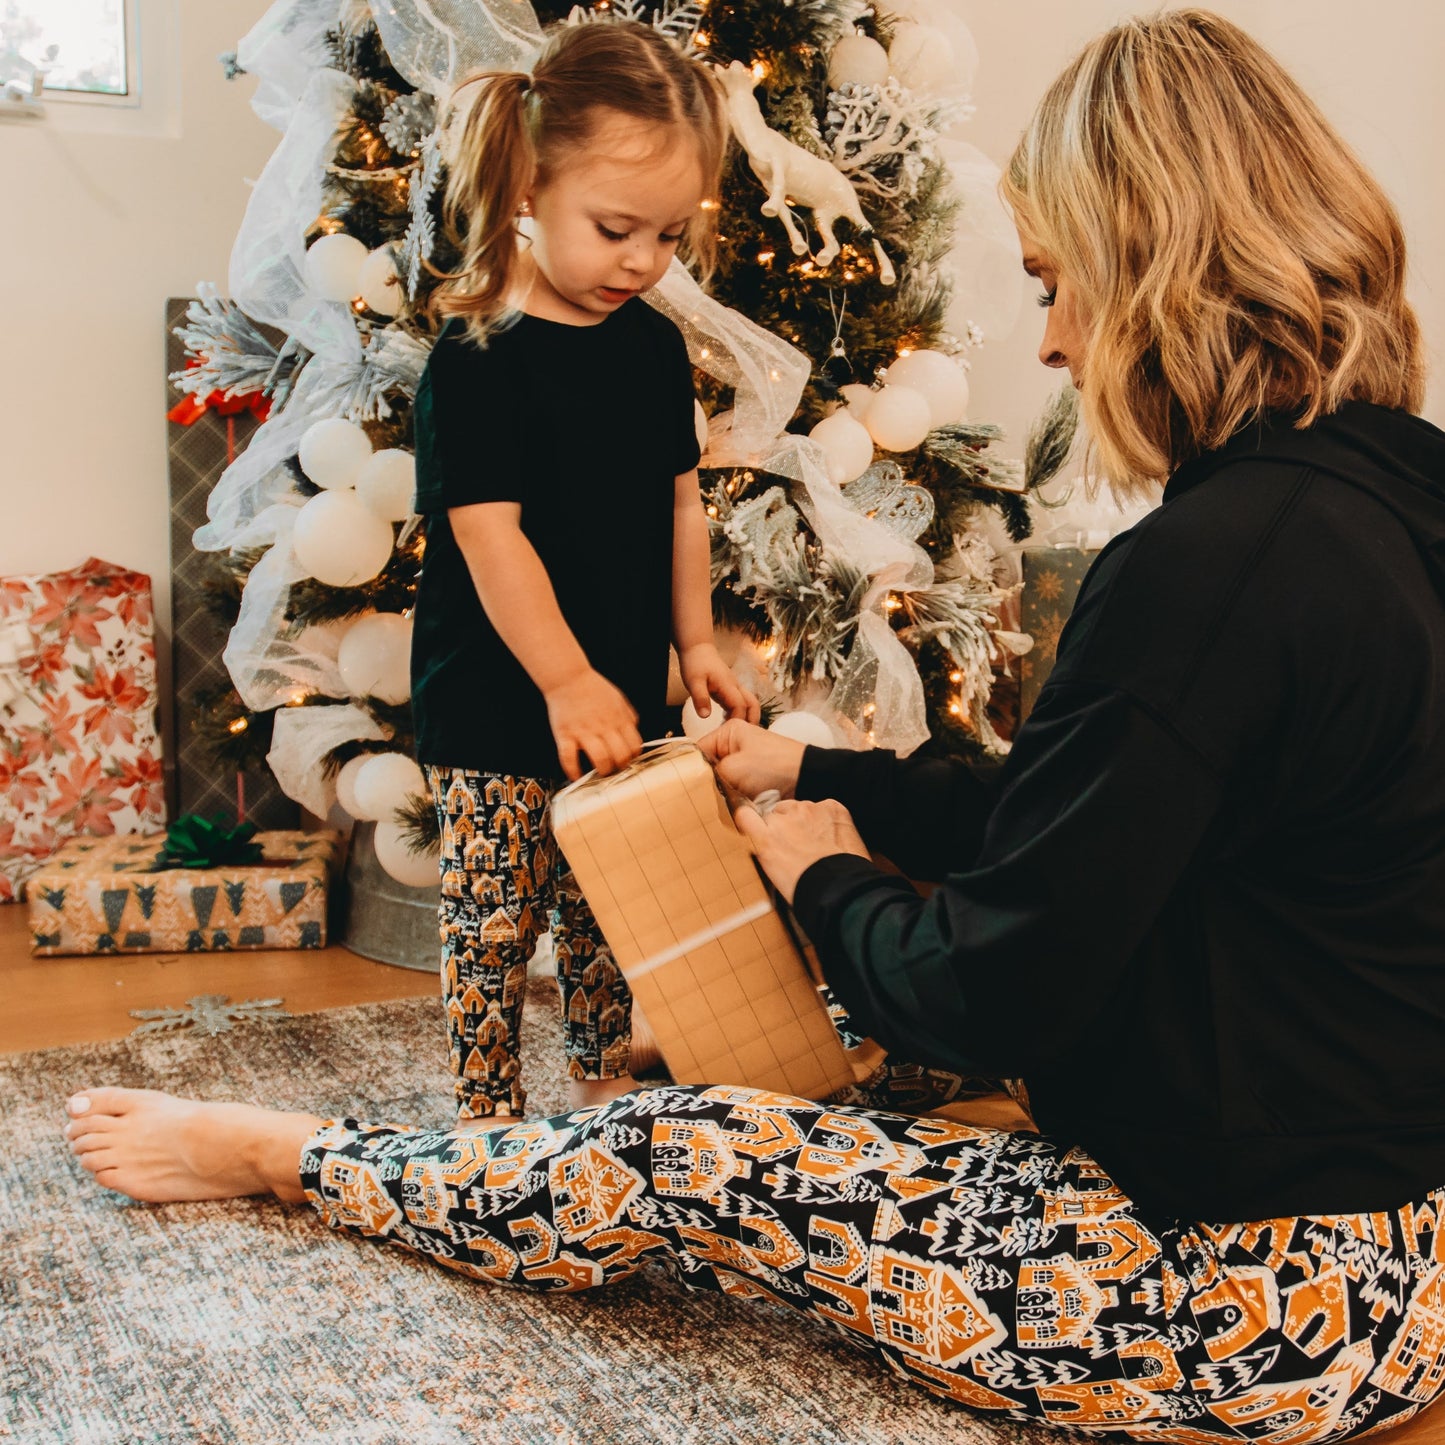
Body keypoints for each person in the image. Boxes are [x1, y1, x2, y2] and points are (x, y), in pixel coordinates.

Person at [64, 11, 1445, 1440]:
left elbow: (989, 987)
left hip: (1237, 1306)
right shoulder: (1393, 501)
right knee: (837, 1027)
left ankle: (295, 1153)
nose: (1052, 336)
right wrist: (811, 769)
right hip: (1413, 1269)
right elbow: (1079, 808)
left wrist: (822, 874)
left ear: (1150, 262)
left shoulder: (1212, 567)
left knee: (679, 1148)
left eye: (1055, 283)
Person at [409, 20, 758, 1125]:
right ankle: (485, 1106)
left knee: (607, 902)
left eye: (668, 235)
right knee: (496, 915)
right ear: (526, 184)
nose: (644, 262)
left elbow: (677, 503)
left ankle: (605, 1080)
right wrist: (563, 679)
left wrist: (695, 643)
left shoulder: (652, 346)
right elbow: (487, 535)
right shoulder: (478, 359)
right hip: (496, 701)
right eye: (615, 229)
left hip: (617, 688)